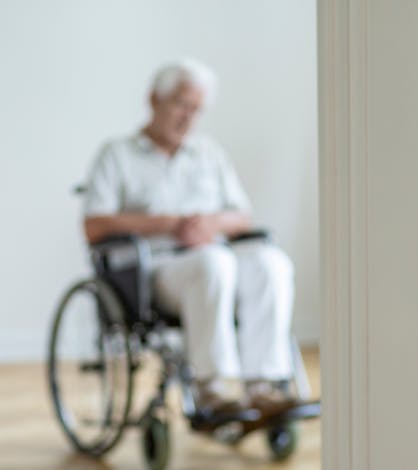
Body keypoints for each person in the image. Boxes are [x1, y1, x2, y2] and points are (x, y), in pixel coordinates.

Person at [82, 59, 297, 424]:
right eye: (181, 105)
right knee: (214, 264)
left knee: (270, 262)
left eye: (197, 109)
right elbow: (94, 224)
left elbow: (241, 215)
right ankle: (210, 387)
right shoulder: (117, 155)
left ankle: (264, 384)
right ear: (155, 100)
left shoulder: (209, 154)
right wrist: (170, 223)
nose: (189, 118)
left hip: (215, 254)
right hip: (155, 269)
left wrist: (210, 222)